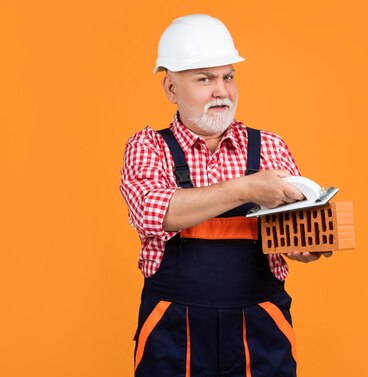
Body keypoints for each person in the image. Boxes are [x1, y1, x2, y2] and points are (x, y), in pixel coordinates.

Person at [119, 14, 331, 377]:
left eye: (227, 77)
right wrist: (245, 188)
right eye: (205, 79)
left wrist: (307, 246)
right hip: (173, 332)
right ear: (171, 89)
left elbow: (296, 237)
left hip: (260, 330)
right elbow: (154, 212)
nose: (221, 90)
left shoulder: (270, 147)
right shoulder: (149, 147)